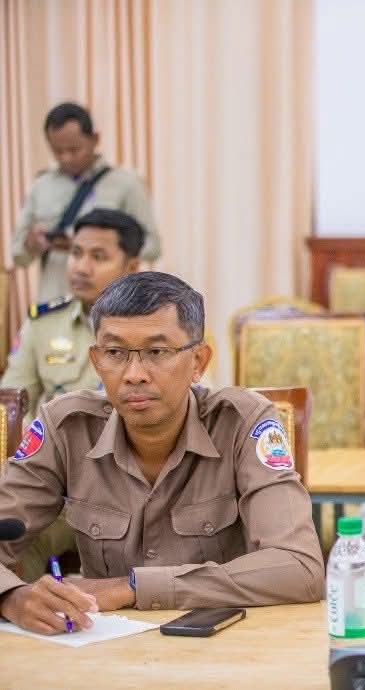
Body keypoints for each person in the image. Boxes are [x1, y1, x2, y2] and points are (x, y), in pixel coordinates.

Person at [0, 272, 322, 635]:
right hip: (100, 649)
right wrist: (11, 596)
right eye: (115, 353)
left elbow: (300, 567)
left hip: (223, 643)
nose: (134, 374)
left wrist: (133, 587)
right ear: (96, 361)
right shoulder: (65, 427)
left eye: (157, 352)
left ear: (198, 361)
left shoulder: (242, 422)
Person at [10, 102, 160, 302]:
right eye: (57, 151)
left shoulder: (126, 183)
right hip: (54, 301)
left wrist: (99, 247)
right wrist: (32, 244)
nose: (66, 158)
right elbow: (17, 255)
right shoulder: (40, 185)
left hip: (108, 303)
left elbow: (153, 246)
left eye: (74, 149)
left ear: (94, 139)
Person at [3, 208, 144, 418]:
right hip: (58, 438)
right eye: (76, 253)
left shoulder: (157, 326)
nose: (81, 268)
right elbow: (10, 403)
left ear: (131, 267)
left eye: (98, 257)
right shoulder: (43, 323)